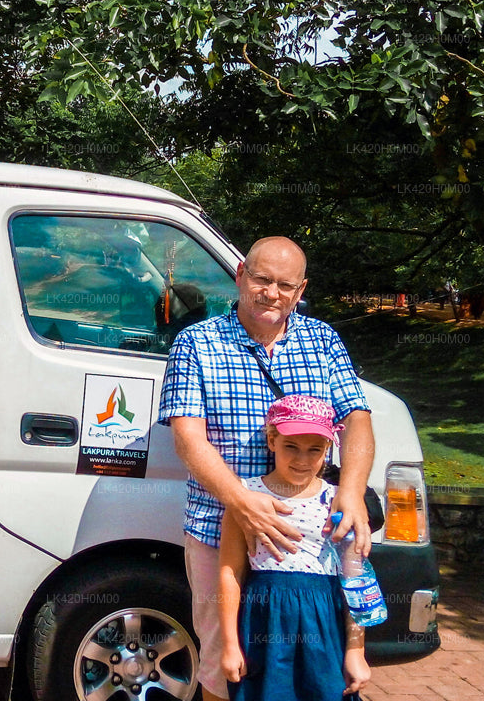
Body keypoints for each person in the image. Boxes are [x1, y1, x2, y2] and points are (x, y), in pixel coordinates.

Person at [157, 236, 373, 701]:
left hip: (310, 542)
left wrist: (352, 491)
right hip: (220, 529)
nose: (271, 292)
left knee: (312, 666)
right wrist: (242, 503)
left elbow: (357, 420)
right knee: (223, 664)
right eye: (261, 279)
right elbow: (187, 437)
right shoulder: (197, 342)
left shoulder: (324, 339)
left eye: (284, 284)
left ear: (300, 290)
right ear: (240, 276)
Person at [218, 394, 371, 701]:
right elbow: (230, 572)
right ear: (272, 440)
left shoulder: (340, 501)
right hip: (265, 622)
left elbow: (356, 578)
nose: (302, 459)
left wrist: (356, 650)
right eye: (291, 446)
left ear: (328, 449)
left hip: (325, 624)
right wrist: (230, 645)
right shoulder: (246, 497)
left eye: (314, 450)